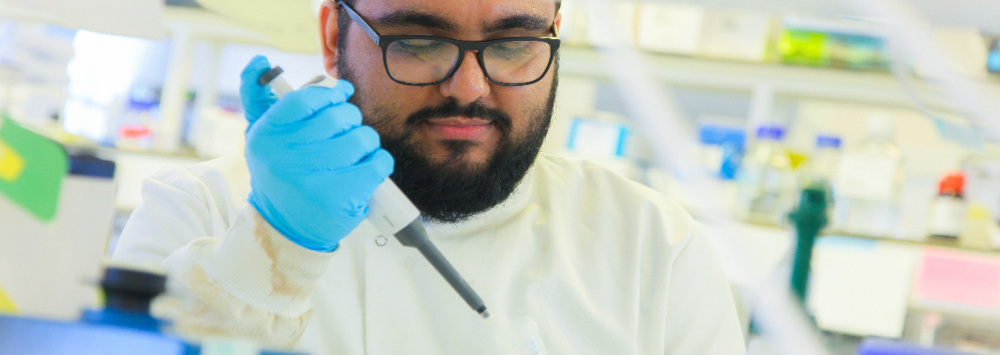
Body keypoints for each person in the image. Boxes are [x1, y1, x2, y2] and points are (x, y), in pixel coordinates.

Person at [113, 0, 746, 353]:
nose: (469, 88)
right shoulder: (200, 212)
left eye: (511, 44)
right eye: (418, 40)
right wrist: (273, 250)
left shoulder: (651, 248)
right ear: (335, 37)